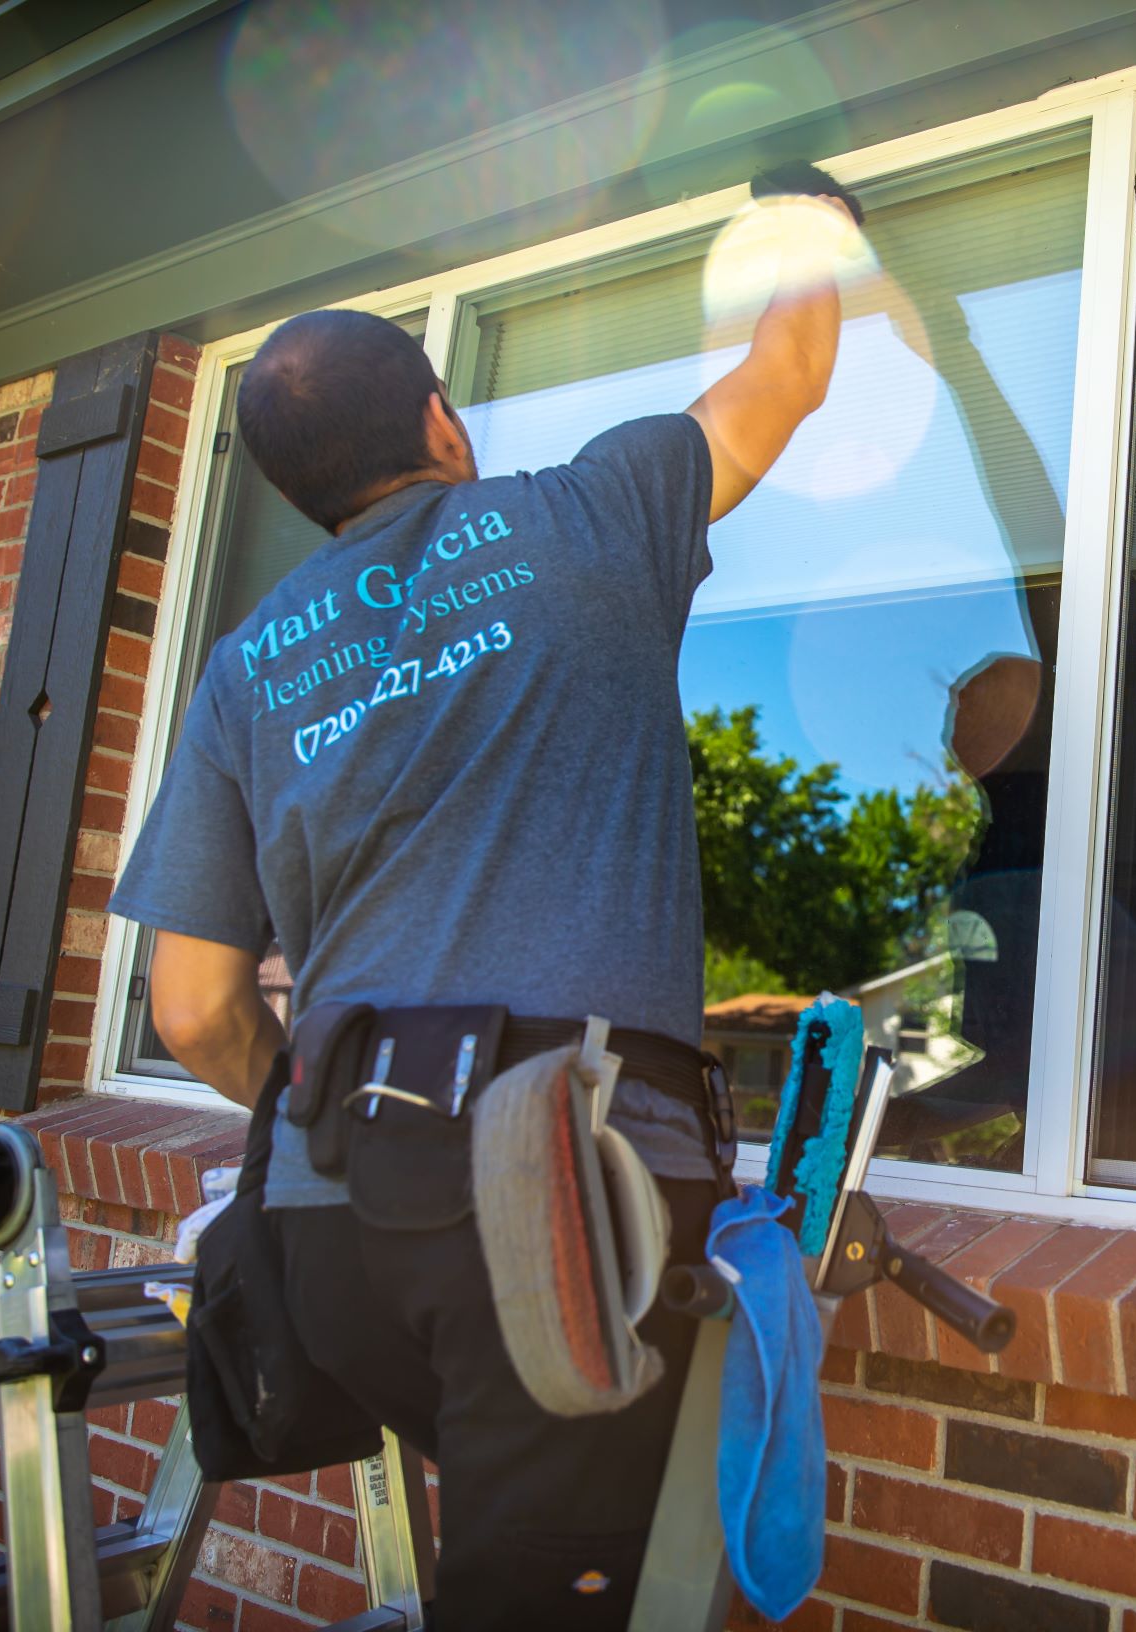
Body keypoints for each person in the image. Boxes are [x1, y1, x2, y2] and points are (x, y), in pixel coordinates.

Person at [107, 166, 858, 1627]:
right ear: (442, 421)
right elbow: (794, 367)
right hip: (561, 1215)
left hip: (324, 1232)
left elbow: (195, 1008)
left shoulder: (248, 664)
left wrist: (349, 1120)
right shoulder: (594, 511)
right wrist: (802, 206)